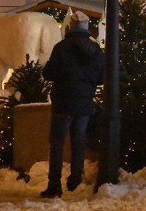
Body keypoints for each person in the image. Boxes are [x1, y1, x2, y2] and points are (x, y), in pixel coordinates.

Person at [40, 11, 104, 198]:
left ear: (71, 26)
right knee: (78, 142)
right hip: (84, 104)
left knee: (57, 144)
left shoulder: (61, 48)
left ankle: (54, 185)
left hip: (63, 103)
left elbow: (49, 73)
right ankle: (75, 180)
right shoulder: (95, 50)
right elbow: (101, 78)